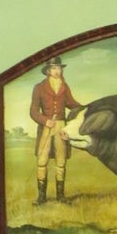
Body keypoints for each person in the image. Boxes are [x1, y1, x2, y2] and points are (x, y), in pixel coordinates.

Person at [28, 56, 84, 204]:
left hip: (61, 126)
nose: (57, 71)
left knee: (61, 161)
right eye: (54, 68)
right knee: (42, 161)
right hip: (46, 127)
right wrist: (45, 120)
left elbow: (71, 103)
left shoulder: (65, 86)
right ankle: (41, 197)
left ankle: (61, 196)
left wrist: (85, 109)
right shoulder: (39, 87)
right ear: (47, 71)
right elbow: (33, 111)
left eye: (59, 68)